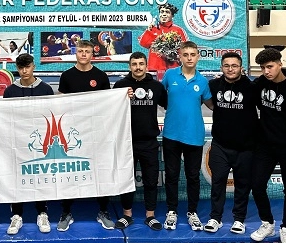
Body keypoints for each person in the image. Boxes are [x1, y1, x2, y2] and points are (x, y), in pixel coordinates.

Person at [56, 39, 115, 231]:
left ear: (92, 54)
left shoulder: (101, 76)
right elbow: (61, 103)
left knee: (100, 170)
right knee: (69, 171)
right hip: (72, 133)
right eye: (80, 51)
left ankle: (103, 211)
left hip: (96, 132)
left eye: (87, 51)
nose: (83, 54)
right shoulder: (67, 76)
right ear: (76, 53)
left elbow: (108, 103)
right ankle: (66, 212)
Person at [249, 47, 286, 243]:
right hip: (265, 145)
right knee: (257, 184)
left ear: (280, 64)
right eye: (263, 68)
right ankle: (267, 223)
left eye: (270, 67)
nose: (266, 71)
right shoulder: (261, 83)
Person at [161, 41, 213, 231]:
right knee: (172, 175)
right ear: (180, 56)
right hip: (171, 134)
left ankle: (192, 212)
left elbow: (212, 105)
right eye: (186, 54)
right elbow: (160, 96)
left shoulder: (203, 81)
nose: (189, 58)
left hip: (194, 134)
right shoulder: (169, 75)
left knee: (193, 176)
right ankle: (171, 211)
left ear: (198, 56)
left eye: (193, 54)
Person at [112, 51, 167, 231]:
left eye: (141, 64)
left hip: (149, 141)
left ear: (146, 65)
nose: (138, 67)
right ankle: (127, 215)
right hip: (126, 141)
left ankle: (150, 215)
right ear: (130, 66)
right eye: (134, 64)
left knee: (151, 180)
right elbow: (110, 109)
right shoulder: (120, 86)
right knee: (126, 180)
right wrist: (122, 97)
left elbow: (170, 105)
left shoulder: (156, 86)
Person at [205, 52, 258, 234]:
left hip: (246, 147)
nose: (230, 69)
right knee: (217, 183)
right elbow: (209, 103)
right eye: (226, 65)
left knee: (242, 185)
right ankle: (215, 217)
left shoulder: (252, 87)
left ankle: (239, 219)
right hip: (220, 144)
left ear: (241, 68)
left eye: (234, 66)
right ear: (221, 67)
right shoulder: (213, 85)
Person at [2, 53, 54, 234]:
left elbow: (51, 115)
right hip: (17, 142)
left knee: (40, 175)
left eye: (28, 67)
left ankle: (42, 213)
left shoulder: (46, 89)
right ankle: (16, 215)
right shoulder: (10, 91)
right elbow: (5, 117)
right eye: (21, 68)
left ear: (33, 66)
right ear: (17, 68)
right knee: (17, 177)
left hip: (40, 143)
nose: (24, 71)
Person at [138, 3, 188, 72]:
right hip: (155, 68)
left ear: (172, 15)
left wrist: (176, 56)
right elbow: (143, 43)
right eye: (162, 12)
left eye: (167, 12)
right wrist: (149, 30)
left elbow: (185, 49)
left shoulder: (178, 30)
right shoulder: (153, 29)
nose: (164, 14)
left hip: (172, 68)